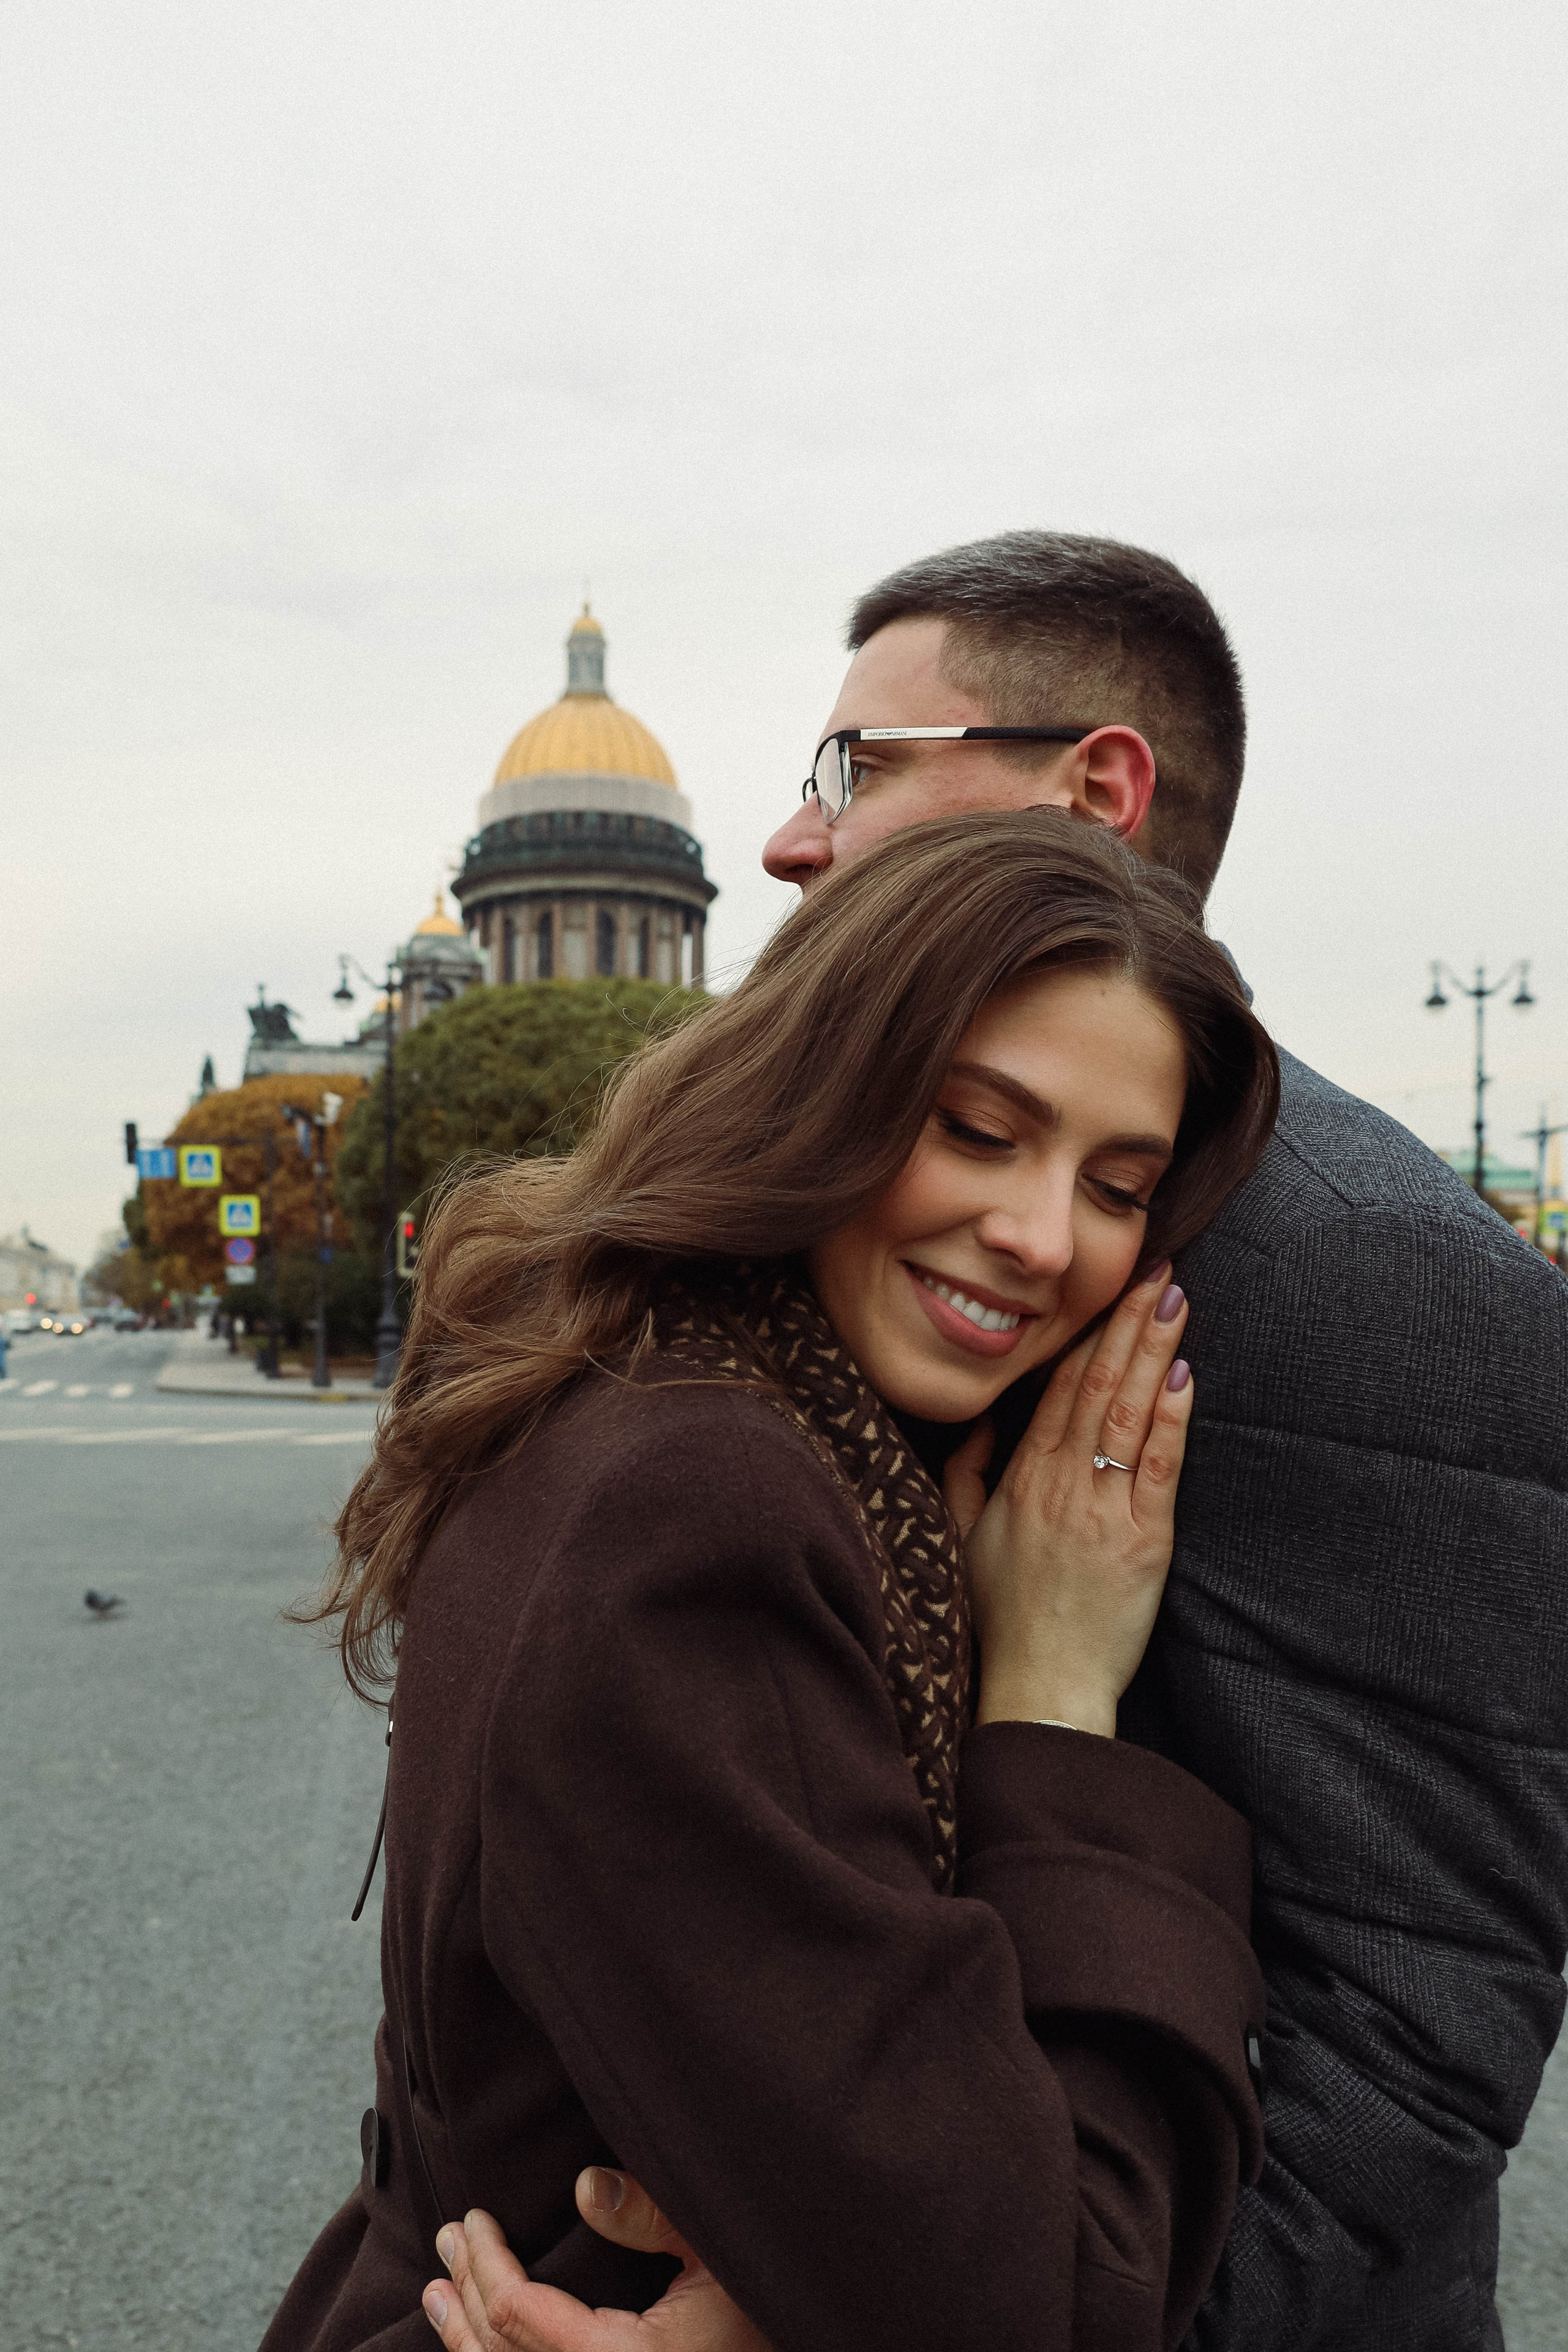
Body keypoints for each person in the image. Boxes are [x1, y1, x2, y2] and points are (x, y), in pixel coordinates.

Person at [432, 532, 1568, 2352]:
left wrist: (902, 2318)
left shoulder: (1378, 1286)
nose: (794, 842)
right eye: (982, 1129)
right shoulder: (753, 1312)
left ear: (1094, 790)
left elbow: (1414, 2031)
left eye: (858, 772)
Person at [262, 812, 1280, 2352]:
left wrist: (798, 2273)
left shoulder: (651, 1386)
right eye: (975, 1129)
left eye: (1119, 1185)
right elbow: (1048, 2302)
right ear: (825, 1089)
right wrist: (1059, 1696)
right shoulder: (702, 1505)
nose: (1038, 1237)